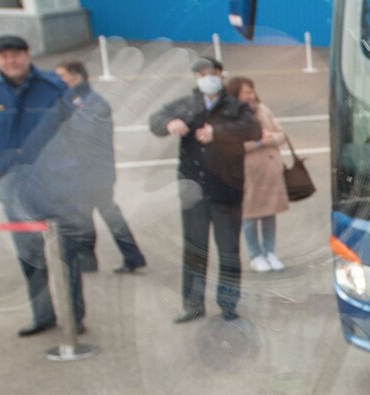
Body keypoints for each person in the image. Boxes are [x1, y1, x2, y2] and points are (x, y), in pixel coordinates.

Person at [149, 57, 260, 323]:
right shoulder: (187, 105)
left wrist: (218, 132)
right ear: (196, 78)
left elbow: (254, 129)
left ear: (221, 75)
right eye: (201, 73)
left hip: (227, 190)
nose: (207, 77)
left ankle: (228, 303)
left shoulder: (235, 107)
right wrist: (168, 124)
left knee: (228, 250)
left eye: (212, 73)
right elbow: (156, 119)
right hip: (194, 191)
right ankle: (192, 303)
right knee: (195, 249)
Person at [0, 34, 70, 336]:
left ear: (28, 56)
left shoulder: (53, 88)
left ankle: (75, 318)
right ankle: (43, 315)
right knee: (30, 255)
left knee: (67, 254)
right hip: (13, 190)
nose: (11, 61)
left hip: (54, 184)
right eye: (4, 56)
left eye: (17, 54)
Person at [52, 60, 147, 276]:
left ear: (76, 76)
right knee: (86, 214)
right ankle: (91, 260)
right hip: (85, 170)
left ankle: (130, 257)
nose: (58, 81)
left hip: (95, 171)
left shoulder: (92, 102)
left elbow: (83, 134)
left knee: (106, 213)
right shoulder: (75, 100)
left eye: (62, 76)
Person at [226, 76, 289, 273]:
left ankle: (270, 252)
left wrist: (273, 138)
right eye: (246, 93)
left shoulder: (264, 110)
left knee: (269, 213)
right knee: (250, 216)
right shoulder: (231, 117)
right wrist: (260, 142)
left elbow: (281, 134)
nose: (251, 96)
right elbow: (232, 146)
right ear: (236, 95)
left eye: (252, 91)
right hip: (248, 174)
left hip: (270, 172)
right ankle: (255, 254)